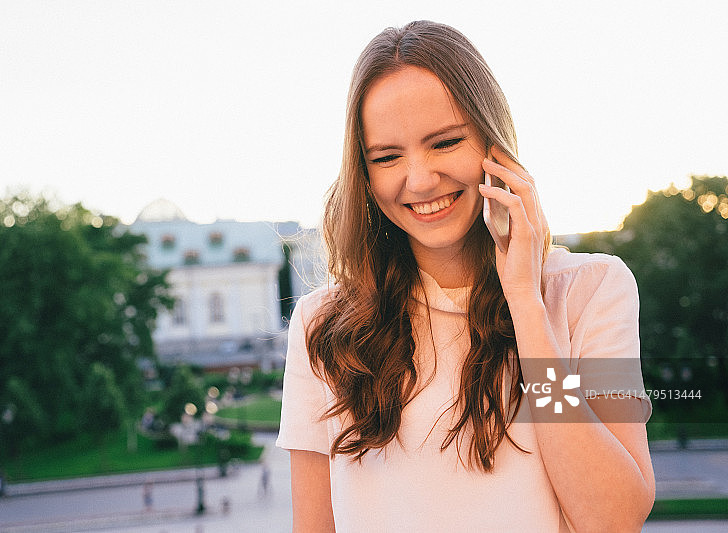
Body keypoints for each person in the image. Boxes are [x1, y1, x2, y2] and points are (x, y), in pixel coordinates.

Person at [276, 20, 655, 532]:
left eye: (445, 143)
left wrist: (526, 303)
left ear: (492, 143)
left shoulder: (591, 290)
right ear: (363, 175)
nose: (419, 179)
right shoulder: (321, 326)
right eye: (387, 157)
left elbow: (614, 518)